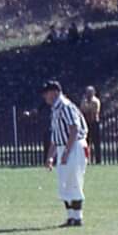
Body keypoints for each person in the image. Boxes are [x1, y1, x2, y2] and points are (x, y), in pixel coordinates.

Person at [42, 81, 89, 226]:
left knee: (74, 181)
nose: (45, 97)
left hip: (74, 146)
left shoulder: (66, 106)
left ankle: (78, 217)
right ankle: (71, 217)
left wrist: (67, 152)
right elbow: (56, 135)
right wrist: (50, 156)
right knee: (64, 182)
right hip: (64, 146)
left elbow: (74, 129)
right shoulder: (55, 109)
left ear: (55, 92)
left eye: (47, 93)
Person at [82, 86, 104, 164]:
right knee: (86, 143)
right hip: (86, 123)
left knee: (96, 143)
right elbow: (82, 111)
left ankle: (98, 160)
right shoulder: (84, 101)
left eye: (90, 92)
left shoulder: (96, 101)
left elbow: (93, 112)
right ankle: (86, 159)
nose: (88, 94)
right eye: (87, 92)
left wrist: (87, 111)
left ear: (93, 93)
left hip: (94, 123)